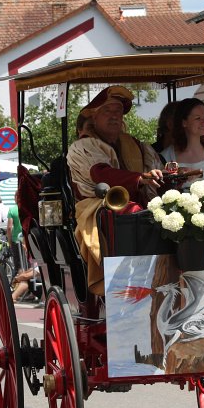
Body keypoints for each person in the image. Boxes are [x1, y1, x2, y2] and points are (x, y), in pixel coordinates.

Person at [66, 85, 162, 296]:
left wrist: (169, 178)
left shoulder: (136, 145)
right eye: (107, 111)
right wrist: (139, 178)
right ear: (94, 117)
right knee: (131, 213)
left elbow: (154, 173)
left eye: (118, 111)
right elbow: (100, 173)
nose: (114, 116)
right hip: (94, 205)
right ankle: (125, 278)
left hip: (139, 202)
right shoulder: (83, 146)